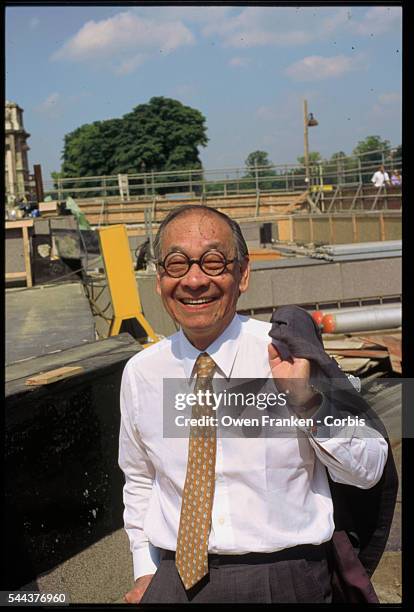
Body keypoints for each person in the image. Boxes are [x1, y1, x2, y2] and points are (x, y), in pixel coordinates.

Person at [118, 205, 389, 604]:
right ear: (159, 280)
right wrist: (144, 569)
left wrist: (307, 402)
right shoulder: (141, 371)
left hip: (284, 580)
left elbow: (369, 470)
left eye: (213, 262)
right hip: (173, 580)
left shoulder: (291, 354)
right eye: (176, 264)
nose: (194, 280)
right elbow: (139, 478)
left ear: (242, 274)